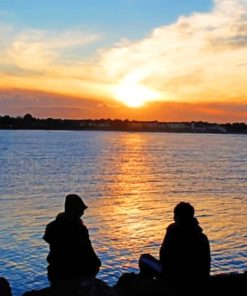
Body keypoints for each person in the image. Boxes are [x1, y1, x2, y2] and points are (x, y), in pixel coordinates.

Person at [139, 202, 211, 294]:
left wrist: (169, 231)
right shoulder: (202, 236)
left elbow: (164, 258)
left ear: (176, 217)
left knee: (144, 258)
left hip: (175, 281)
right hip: (199, 282)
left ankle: (144, 287)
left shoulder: (174, 232)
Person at [43, 194, 101, 291]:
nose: (82, 213)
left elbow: (48, 239)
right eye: (80, 210)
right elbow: (88, 251)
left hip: (56, 272)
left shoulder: (52, 226)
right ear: (74, 210)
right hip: (74, 273)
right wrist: (96, 264)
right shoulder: (79, 229)